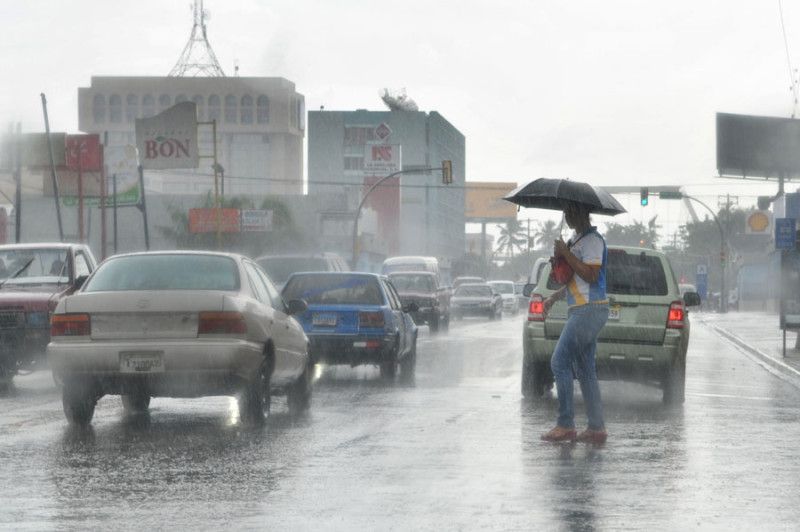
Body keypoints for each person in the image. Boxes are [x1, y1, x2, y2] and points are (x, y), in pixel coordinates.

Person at [541, 201, 609, 445]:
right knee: (584, 370)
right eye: (565, 211)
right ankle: (596, 427)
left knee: (559, 361)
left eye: (570, 211)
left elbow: (590, 275)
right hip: (582, 309)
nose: (567, 216)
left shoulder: (592, 241)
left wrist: (566, 254)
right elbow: (573, 281)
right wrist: (553, 296)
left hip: (589, 311)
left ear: (580, 212)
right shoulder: (576, 240)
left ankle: (566, 424)